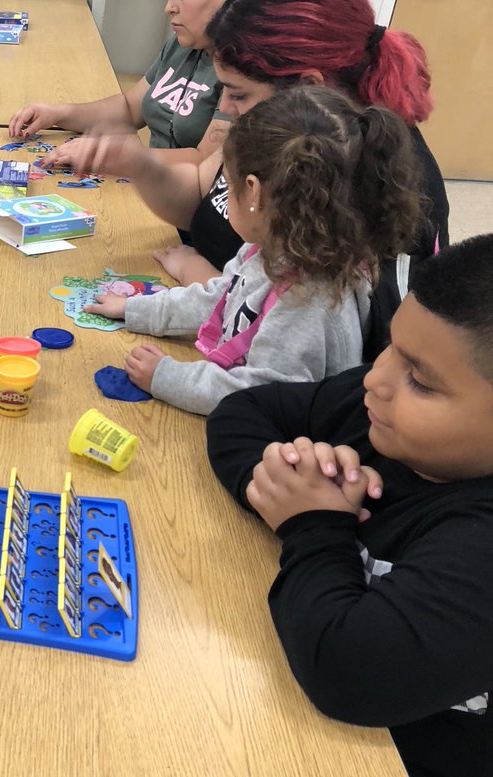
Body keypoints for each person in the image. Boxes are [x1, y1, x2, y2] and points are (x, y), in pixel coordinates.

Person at [205, 234, 493, 777]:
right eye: (389, 347)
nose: (376, 379)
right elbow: (241, 413)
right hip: (287, 708)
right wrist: (280, 484)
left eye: (421, 382)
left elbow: (350, 671)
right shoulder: (378, 416)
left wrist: (311, 525)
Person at [43, 0, 448, 360]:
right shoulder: (285, 127)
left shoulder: (375, 178)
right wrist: (140, 165)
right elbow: (202, 191)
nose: (225, 109)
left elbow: (308, 334)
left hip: (245, 365)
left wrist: (198, 274)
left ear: (307, 88)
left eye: (237, 94)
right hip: (199, 311)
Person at [83, 86, 420, 416]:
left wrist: (166, 376)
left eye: (227, 184)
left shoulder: (308, 300)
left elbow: (259, 395)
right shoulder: (273, 246)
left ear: (253, 192)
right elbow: (221, 299)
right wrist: (135, 309)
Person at [8, 0, 231, 166]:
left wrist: (118, 157)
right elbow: (130, 109)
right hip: (156, 187)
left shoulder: (245, 73)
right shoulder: (181, 45)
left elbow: (207, 161)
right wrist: (58, 113)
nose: (169, 7)